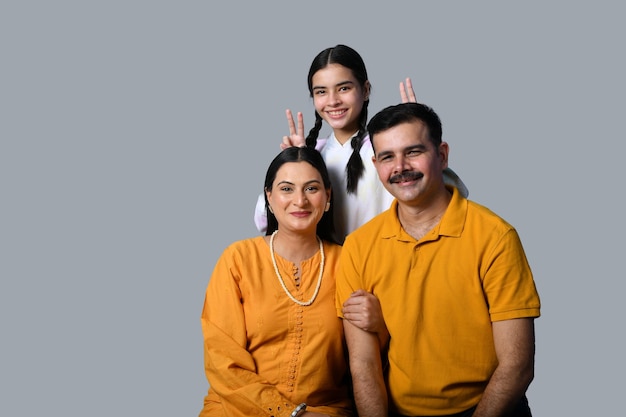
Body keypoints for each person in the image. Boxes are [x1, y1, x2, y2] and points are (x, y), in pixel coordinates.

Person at [336, 103, 541, 417]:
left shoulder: (495, 237)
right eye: (387, 157)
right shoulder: (358, 246)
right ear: (376, 165)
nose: (400, 167)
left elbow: (517, 365)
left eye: (413, 151)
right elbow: (363, 365)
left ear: (442, 155)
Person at [199, 146, 385, 417]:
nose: (300, 201)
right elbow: (223, 362)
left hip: (324, 411)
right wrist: (293, 414)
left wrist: (380, 325)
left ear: (327, 196)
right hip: (236, 409)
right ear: (269, 197)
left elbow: (369, 356)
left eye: (311, 188)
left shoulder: (348, 262)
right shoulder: (237, 259)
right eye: (287, 189)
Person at [254, 44, 468, 243]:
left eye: (344, 88)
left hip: (385, 263)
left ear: (365, 90)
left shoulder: (386, 150)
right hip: (327, 271)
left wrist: (416, 138)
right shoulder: (314, 153)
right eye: (321, 91)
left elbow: (448, 197)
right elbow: (266, 219)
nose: (333, 100)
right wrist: (295, 163)